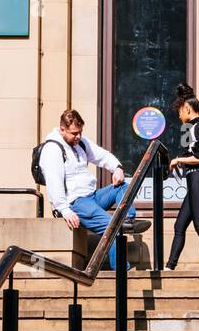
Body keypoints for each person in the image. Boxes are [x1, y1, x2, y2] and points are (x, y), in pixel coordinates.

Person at [39, 109, 138, 271]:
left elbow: (102, 155)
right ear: (62, 129)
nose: (78, 136)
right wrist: (64, 209)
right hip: (75, 203)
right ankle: (121, 271)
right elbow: (53, 182)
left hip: (92, 196)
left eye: (80, 132)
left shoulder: (81, 143)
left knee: (123, 187)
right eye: (74, 133)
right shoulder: (52, 149)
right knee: (111, 226)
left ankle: (127, 219)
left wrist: (117, 168)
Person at [166, 83, 199, 271]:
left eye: (180, 111)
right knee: (179, 225)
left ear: (187, 108)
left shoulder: (197, 127)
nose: (179, 115)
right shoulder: (192, 128)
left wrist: (178, 160)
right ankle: (170, 266)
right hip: (196, 182)